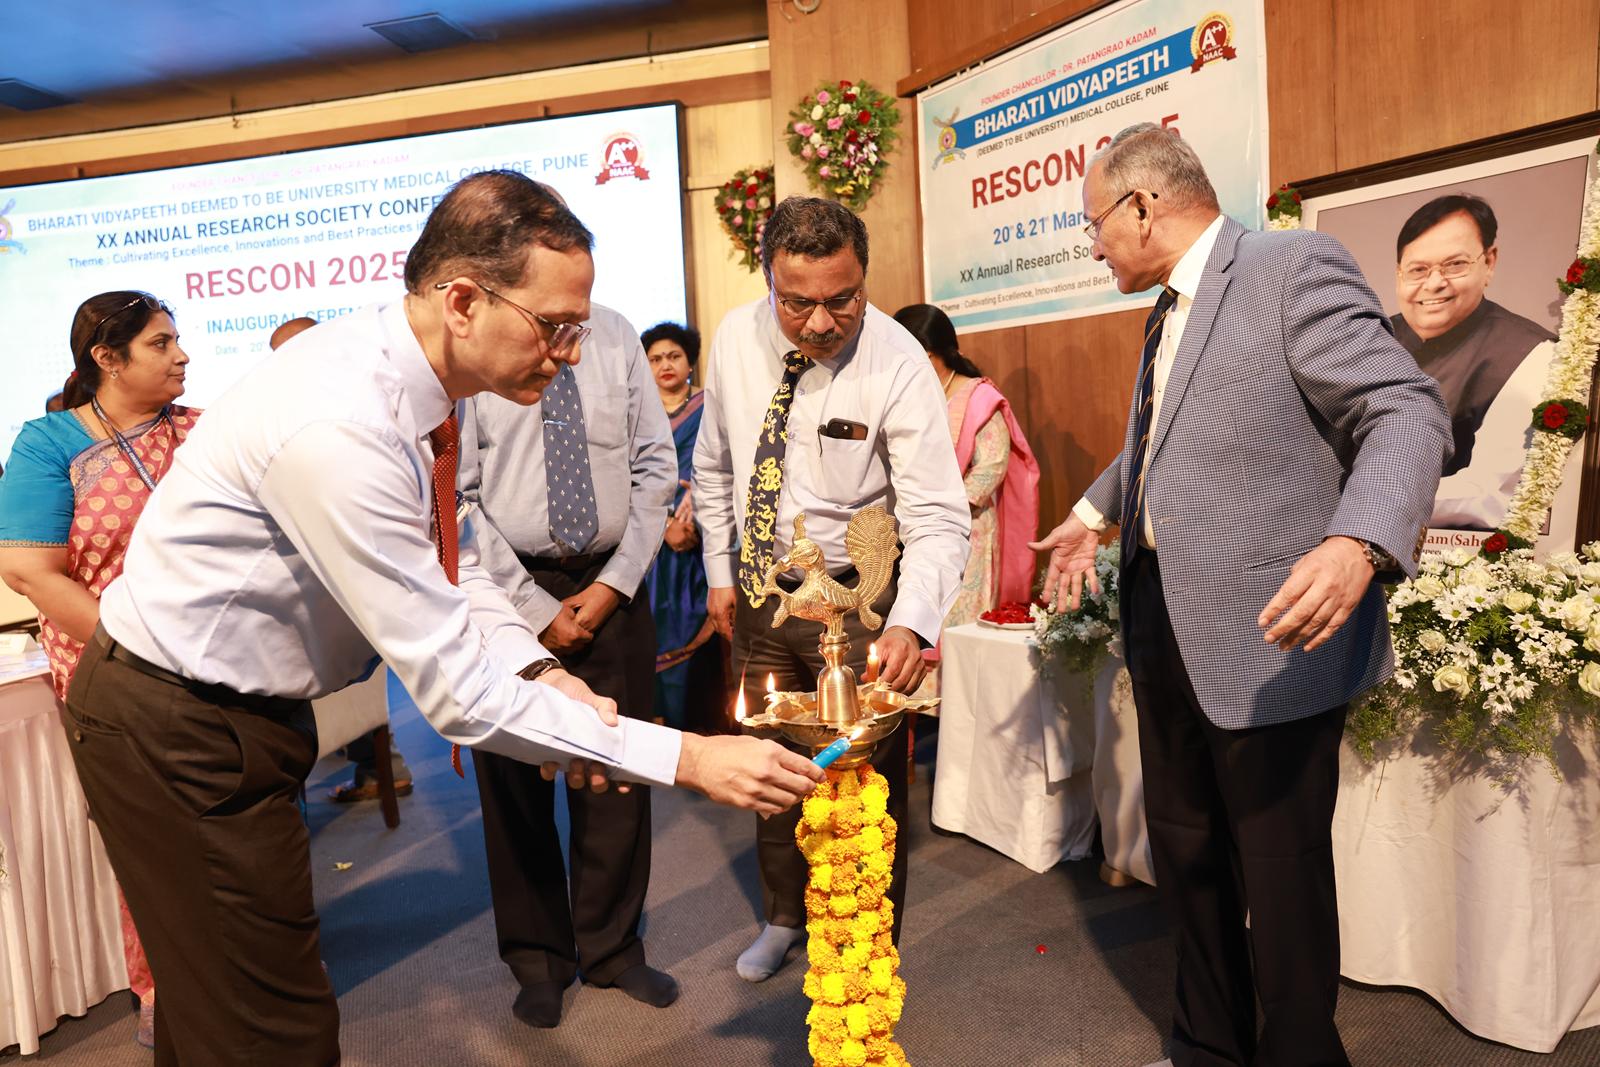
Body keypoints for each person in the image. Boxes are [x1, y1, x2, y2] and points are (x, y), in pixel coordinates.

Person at [58, 170, 823, 1064]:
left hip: (234, 712)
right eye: (554, 325)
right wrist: (688, 757)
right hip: (177, 721)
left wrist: (540, 670)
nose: (572, 352)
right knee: (269, 1027)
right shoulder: (344, 427)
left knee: (225, 1008)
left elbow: (447, 567)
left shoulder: (412, 380)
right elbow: (458, 694)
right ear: (463, 300)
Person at [1031, 124, 1449, 1067]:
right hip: (1161, 619)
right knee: (1185, 851)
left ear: (1143, 206)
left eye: (1094, 224)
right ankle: (1208, 1044)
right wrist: (1095, 511)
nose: (1093, 245)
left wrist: (1358, 540)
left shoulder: (1289, 268)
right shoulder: (1166, 310)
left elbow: (1404, 407)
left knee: (1280, 870)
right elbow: (1167, 437)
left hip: (1271, 636)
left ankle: (1300, 1052)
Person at [693, 196, 971, 982]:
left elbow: (937, 513)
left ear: (865, 279)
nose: (820, 322)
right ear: (769, 282)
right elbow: (714, 466)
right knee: (770, 764)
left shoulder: (897, 361)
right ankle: (785, 914)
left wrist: (911, 623)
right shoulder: (734, 340)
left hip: (859, 606)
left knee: (863, 782)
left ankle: (866, 948)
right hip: (762, 593)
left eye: (841, 299)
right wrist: (719, 572)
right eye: (797, 302)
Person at [457, 300, 680, 1027]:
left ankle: (613, 948)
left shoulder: (615, 335)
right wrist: (531, 606)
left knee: (618, 772)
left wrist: (615, 584)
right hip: (504, 588)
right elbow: (458, 496)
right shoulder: (481, 346)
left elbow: (654, 467)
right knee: (514, 785)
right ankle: (537, 959)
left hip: (614, 585)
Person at [0, 291, 200, 1049]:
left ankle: (247, 970)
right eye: (160, 343)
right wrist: (141, 652)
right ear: (107, 359)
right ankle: (163, 986)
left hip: (216, 663)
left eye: (177, 339)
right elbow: (30, 571)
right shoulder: (52, 443)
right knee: (148, 836)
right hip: (111, 672)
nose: (181, 355)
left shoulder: (203, 433)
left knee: (232, 825)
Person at [267, 314, 417, 802]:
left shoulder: (359, 411)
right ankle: (378, 766)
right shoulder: (277, 413)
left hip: (344, 583)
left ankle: (376, 766)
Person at [1388, 194, 1558, 530]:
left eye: (1455, 265)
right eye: (1418, 270)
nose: (1434, 284)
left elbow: (1490, 495)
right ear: (1398, 275)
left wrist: (1362, 504)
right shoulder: (1371, 339)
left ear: (1489, 262)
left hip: (1455, 552)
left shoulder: (1529, 352)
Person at [892, 303, 1039, 631]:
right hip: (914, 526)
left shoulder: (978, 396)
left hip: (967, 525)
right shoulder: (911, 397)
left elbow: (992, 466)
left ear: (928, 355)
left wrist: (942, 507)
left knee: (958, 621)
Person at [640, 321, 725, 731]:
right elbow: (629, 475)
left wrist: (693, 514)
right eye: (655, 359)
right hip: (650, 539)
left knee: (700, 625)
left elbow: (720, 465)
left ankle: (701, 726)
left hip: (702, 538)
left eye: (674, 356)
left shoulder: (710, 407)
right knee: (651, 628)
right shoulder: (637, 414)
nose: (665, 365)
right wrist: (664, 524)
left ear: (690, 361)